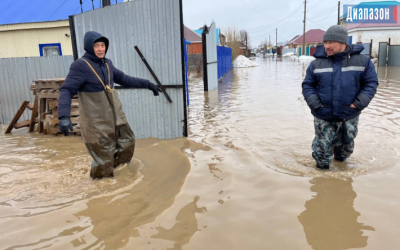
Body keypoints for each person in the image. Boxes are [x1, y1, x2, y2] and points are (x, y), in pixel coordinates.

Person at [58, 31, 162, 179]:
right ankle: (101, 187)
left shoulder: (107, 64)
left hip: (116, 117)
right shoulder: (80, 66)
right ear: (89, 47)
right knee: (104, 159)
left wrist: (148, 84)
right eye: (96, 46)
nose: (101, 49)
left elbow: (125, 79)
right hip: (96, 122)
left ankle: (119, 176)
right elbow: (67, 90)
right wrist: (63, 116)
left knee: (128, 142)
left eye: (103, 45)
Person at [302, 25, 378, 170]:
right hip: (323, 115)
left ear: (343, 43)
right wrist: (315, 104)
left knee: (344, 152)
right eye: (325, 42)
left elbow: (371, 83)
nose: (327, 46)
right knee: (322, 155)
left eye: (331, 42)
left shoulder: (362, 62)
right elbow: (308, 85)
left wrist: (358, 104)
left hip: (349, 115)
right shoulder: (316, 64)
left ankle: (341, 181)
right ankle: (322, 184)